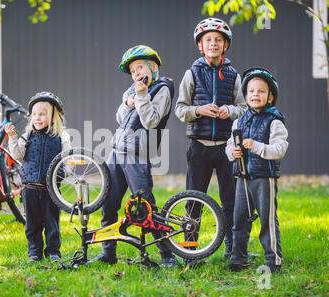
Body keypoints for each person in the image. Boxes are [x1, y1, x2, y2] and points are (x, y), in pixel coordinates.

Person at [90, 44, 177, 267]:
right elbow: (120, 116)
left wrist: (140, 96)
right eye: (133, 71)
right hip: (116, 152)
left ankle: (167, 255)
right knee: (108, 203)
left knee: (145, 207)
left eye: (140, 67)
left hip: (138, 155)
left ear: (153, 66)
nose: (136, 74)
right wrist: (129, 101)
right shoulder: (132, 90)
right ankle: (108, 253)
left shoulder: (163, 88)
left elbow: (151, 120)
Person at [174, 18, 247, 262]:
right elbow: (180, 109)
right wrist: (199, 110)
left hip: (227, 148)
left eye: (218, 40)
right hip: (199, 148)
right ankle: (190, 250)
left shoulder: (233, 74)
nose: (213, 44)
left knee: (230, 200)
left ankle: (232, 248)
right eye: (208, 40)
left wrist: (231, 111)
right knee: (194, 200)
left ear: (225, 45)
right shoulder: (192, 73)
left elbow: (244, 107)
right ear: (200, 46)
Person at [226, 67, 288, 272]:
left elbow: (279, 149)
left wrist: (257, 147)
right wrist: (232, 152)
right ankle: (238, 257)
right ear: (245, 96)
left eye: (261, 91)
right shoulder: (239, 120)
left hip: (264, 177)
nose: (255, 94)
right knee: (239, 219)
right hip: (242, 177)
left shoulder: (274, 121)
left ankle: (273, 261)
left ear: (270, 97)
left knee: (267, 220)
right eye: (251, 91)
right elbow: (229, 144)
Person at [5, 91, 70, 263]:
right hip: (30, 188)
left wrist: (65, 171)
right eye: (34, 114)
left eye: (42, 114)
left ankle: (53, 251)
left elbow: (67, 158)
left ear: (53, 117)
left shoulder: (61, 138)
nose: (37, 118)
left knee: (52, 223)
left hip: (51, 189)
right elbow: (17, 155)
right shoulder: (27, 137)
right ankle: (34, 252)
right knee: (32, 224)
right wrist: (12, 137)